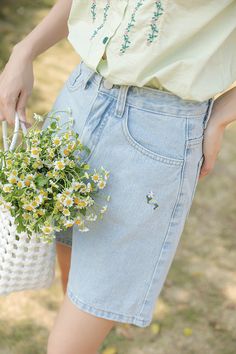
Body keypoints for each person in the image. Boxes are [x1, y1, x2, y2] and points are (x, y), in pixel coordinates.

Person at [0, 1, 235, 353]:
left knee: (68, 343)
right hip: (80, 97)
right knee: (73, 279)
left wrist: (222, 115)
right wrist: (25, 49)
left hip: (156, 129)